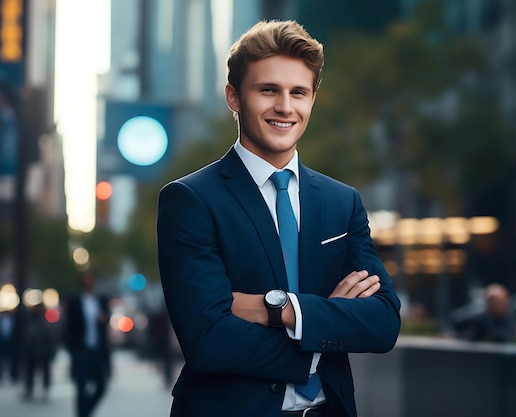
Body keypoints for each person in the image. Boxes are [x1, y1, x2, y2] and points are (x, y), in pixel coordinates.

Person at [157, 19, 401, 417]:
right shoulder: (190, 200)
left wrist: (282, 309)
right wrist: (325, 328)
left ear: (312, 100)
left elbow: (383, 322)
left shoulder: (343, 202)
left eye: (298, 92)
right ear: (234, 97)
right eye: (268, 89)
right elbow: (208, 339)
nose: (285, 107)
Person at [63, 270, 112, 417]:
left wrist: (105, 320)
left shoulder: (102, 300)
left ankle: (86, 412)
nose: (88, 282)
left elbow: (107, 321)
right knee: (81, 387)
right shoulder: (75, 302)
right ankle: (82, 414)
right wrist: (73, 350)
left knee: (101, 386)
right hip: (81, 350)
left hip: (98, 350)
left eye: (90, 279)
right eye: (85, 279)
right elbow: (69, 327)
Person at [21, 303, 57, 401]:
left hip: (44, 349)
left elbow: (51, 335)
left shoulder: (46, 320)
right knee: (30, 371)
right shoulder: (30, 320)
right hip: (32, 349)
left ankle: (45, 388)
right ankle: (29, 389)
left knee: (45, 371)